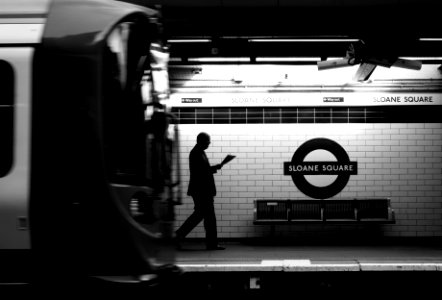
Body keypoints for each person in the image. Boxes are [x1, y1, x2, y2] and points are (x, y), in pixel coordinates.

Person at [175, 132, 225, 250]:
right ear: (201, 141)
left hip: (201, 190)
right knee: (205, 217)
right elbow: (201, 173)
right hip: (201, 191)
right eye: (208, 141)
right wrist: (214, 168)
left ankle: (178, 237)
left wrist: (212, 168)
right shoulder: (196, 153)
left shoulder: (199, 152)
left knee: (204, 216)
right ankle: (177, 237)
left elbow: (202, 171)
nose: (209, 143)